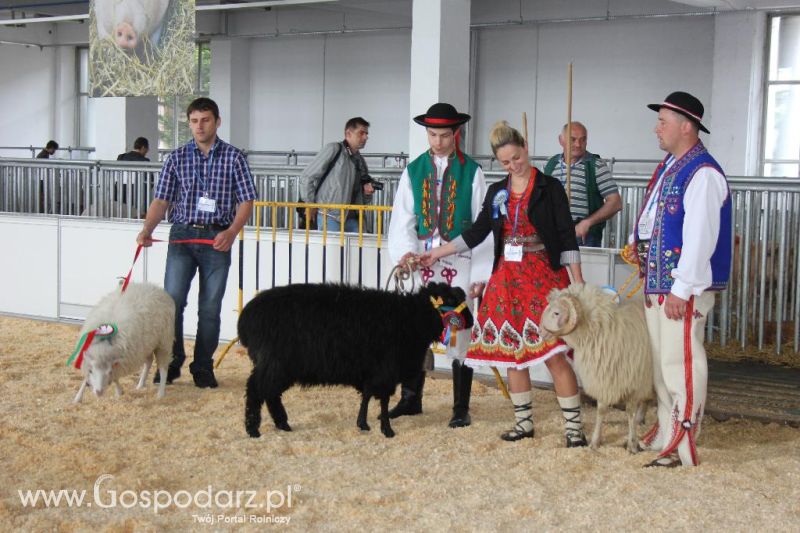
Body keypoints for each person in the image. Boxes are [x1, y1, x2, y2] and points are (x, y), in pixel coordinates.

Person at [421, 120, 588, 446]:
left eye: (517, 159)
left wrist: (577, 285)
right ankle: (524, 424)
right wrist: (437, 252)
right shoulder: (498, 191)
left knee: (554, 354)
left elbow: (567, 237)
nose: (513, 166)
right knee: (512, 353)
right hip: (506, 280)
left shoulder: (549, 188)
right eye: (505, 162)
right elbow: (477, 232)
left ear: (525, 149)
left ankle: (574, 430)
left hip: (543, 276)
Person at [635, 92, 731, 467]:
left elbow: (700, 237)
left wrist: (681, 287)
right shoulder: (672, 166)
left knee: (682, 362)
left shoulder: (702, 172)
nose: (656, 128)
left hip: (681, 288)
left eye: (663, 121)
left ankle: (683, 442)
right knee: (663, 363)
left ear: (686, 127)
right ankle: (666, 428)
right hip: (661, 284)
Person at [136, 97, 257, 389]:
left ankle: (203, 366)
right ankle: (172, 360)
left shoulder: (234, 158)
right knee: (172, 302)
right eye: (194, 121)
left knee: (210, 308)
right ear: (188, 123)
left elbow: (246, 201)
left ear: (217, 122)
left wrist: (231, 232)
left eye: (205, 120)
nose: (199, 126)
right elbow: (161, 200)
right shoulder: (175, 158)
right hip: (182, 236)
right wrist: (146, 229)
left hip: (218, 238)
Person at [387, 102, 493, 428]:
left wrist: (479, 275)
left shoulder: (473, 173)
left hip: (458, 265)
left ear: (456, 133)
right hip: (421, 264)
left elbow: (483, 225)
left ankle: (460, 407)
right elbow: (403, 217)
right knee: (413, 332)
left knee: (460, 331)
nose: (437, 142)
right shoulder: (414, 170)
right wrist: (404, 254)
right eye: (432, 134)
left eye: (444, 135)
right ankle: (410, 398)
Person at [543, 122, 621, 247]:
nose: (578, 144)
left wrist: (587, 222)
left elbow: (615, 202)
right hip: (553, 234)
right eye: (572, 139)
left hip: (583, 237)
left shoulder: (596, 165)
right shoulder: (550, 164)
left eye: (583, 140)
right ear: (561, 140)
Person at [299, 117, 374, 232]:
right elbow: (307, 176)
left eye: (366, 134)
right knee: (331, 250)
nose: (365, 137)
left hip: (354, 219)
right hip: (329, 217)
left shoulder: (360, 161)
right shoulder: (334, 149)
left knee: (356, 250)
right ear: (348, 133)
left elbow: (362, 199)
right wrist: (310, 204)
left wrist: (367, 193)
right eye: (361, 133)